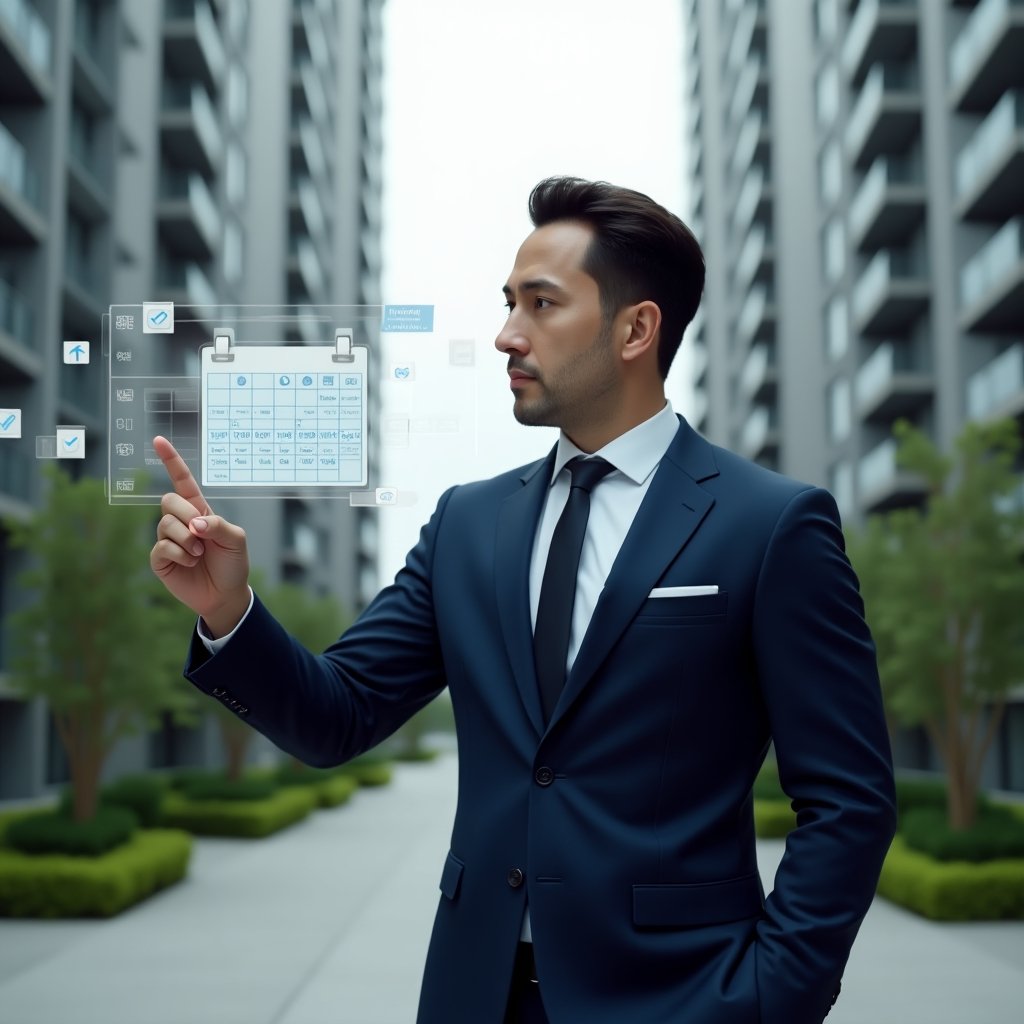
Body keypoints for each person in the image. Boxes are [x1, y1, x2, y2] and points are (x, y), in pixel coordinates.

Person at [151, 176, 896, 1024]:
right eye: (509, 304)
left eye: (541, 304)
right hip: (474, 994)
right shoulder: (468, 525)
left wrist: (768, 1001)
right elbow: (337, 714)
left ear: (636, 329)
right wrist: (229, 612)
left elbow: (849, 799)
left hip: (683, 996)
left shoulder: (769, 524)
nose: (507, 334)